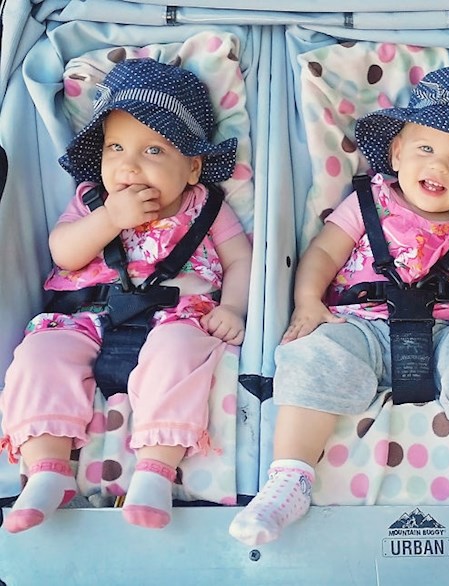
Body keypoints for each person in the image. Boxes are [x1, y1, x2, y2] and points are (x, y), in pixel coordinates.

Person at [229, 66, 449, 572]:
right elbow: (323, 254)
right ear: (398, 153)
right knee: (313, 355)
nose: (439, 166)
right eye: (426, 149)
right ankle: (289, 477)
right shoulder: (367, 203)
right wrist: (309, 302)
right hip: (361, 322)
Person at [0, 58, 252, 532]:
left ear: (193, 167)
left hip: (176, 316)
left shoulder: (207, 208)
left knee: (181, 358)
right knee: (38, 356)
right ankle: (46, 469)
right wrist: (110, 219)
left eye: (153, 150)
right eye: (115, 147)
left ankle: (155, 472)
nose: (129, 165)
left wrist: (234, 307)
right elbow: (64, 252)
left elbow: (241, 259)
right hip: (85, 314)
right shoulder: (92, 199)